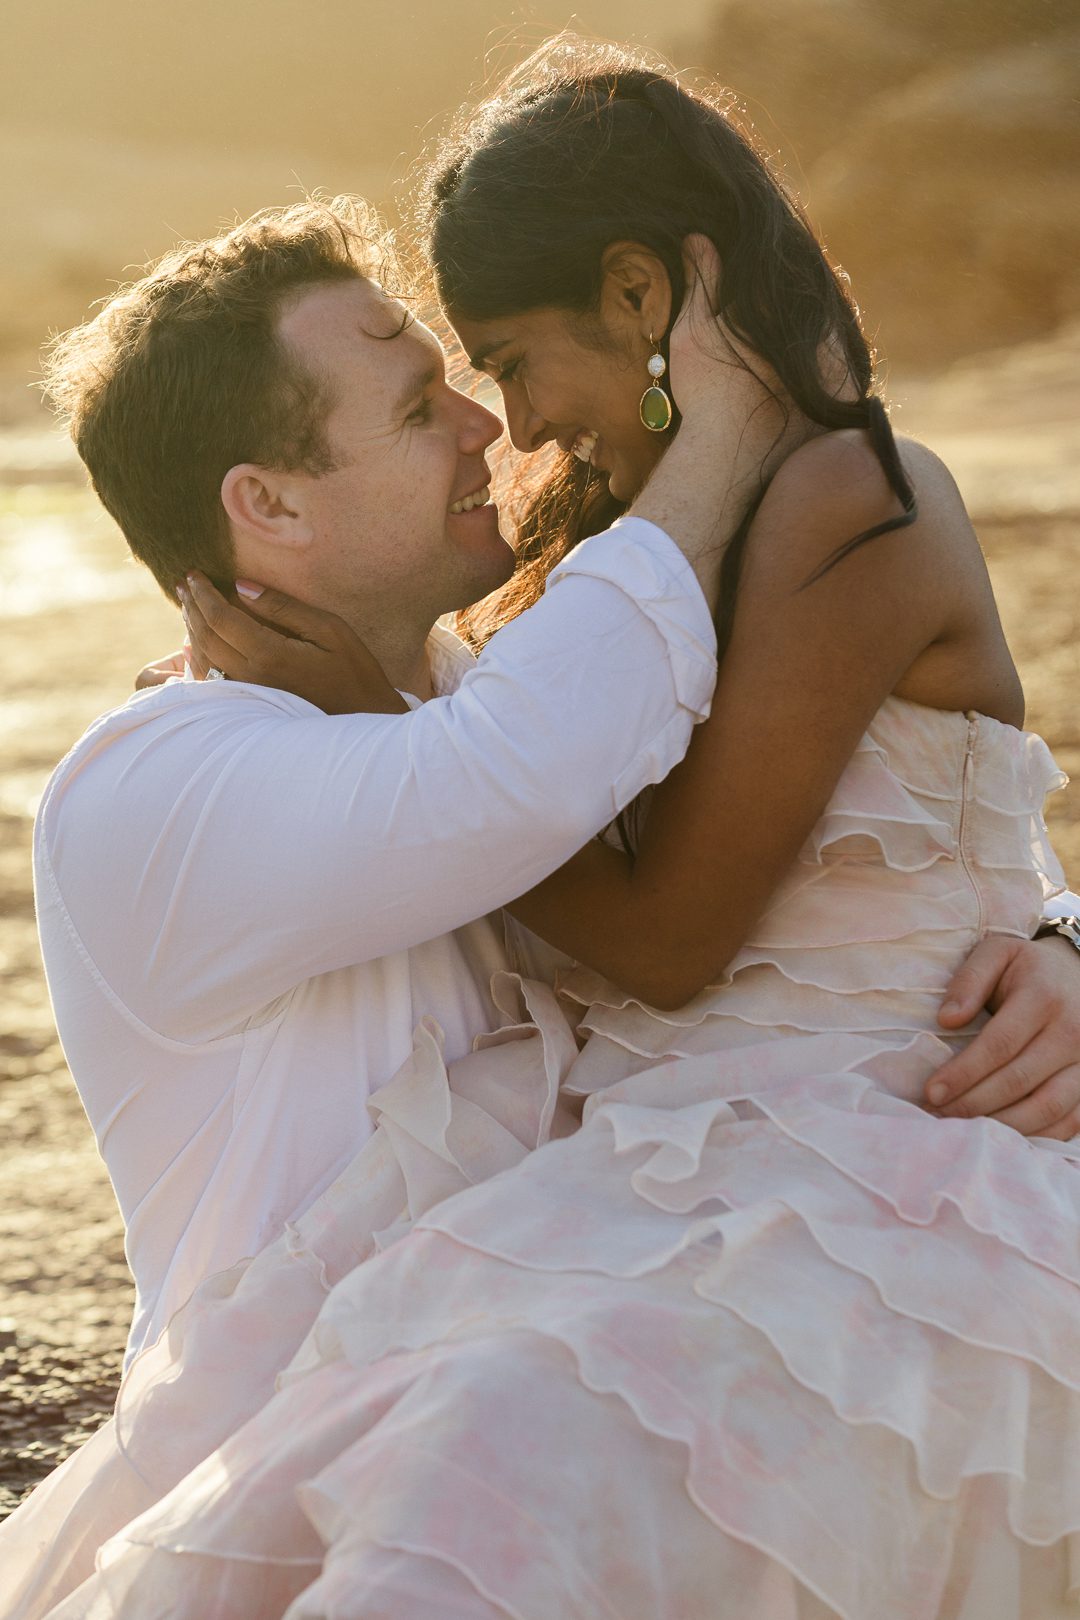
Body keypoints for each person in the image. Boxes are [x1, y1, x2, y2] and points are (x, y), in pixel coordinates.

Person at [25, 40, 1080, 1619]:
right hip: (602, 1218)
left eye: (499, 364)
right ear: (273, 507)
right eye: (434, 391)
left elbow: (860, 847)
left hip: (848, 1172)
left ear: (649, 300)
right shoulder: (200, 773)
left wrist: (1064, 940)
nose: (494, 424)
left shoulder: (812, 521)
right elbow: (515, 799)